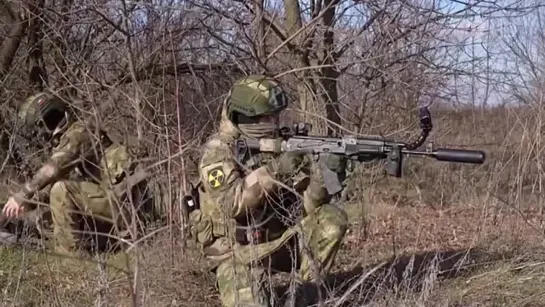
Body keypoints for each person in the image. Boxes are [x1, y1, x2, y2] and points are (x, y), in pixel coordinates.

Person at [190, 74, 349, 306]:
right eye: (266, 117)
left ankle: (308, 297)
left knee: (331, 219)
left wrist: (324, 176)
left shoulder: (279, 144)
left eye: (275, 116)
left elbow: (306, 208)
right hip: (236, 254)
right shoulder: (216, 154)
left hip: (278, 240)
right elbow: (231, 204)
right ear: (244, 116)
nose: (274, 122)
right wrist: (276, 170)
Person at [1, 91, 151, 256]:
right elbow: (50, 188)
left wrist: (21, 196)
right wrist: (21, 206)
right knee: (48, 219)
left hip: (131, 203)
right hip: (116, 203)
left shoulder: (79, 132)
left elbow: (52, 170)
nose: (40, 133)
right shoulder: (71, 140)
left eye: (40, 126)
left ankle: (71, 257)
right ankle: (108, 244)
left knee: (61, 190)